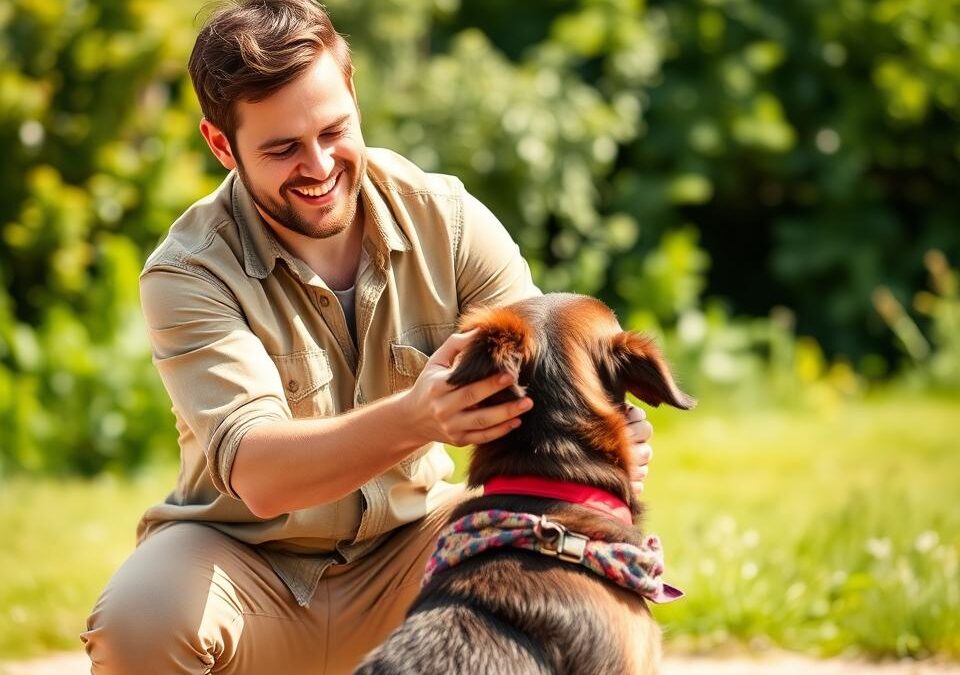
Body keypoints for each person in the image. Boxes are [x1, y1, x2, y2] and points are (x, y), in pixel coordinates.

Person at [81, 1, 656, 673]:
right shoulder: (187, 272)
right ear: (221, 145)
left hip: (416, 547)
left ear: (353, 96)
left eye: (334, 130)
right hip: (244, 564)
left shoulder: (447, 218)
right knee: (138, 621)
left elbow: (549, 372)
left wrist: (614, 434)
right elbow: (260, 474)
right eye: (282, 148)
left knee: (559, 540)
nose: (319, 165)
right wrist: (417, 418)